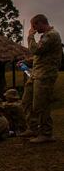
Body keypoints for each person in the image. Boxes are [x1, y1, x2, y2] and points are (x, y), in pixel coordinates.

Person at [19, 14, 62, 143]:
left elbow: (36, 50)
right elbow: (40, 56)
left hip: (45, 75)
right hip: (36, 73)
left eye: (34, 26)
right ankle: (33, 128)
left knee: (41, 104)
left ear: (40, 23)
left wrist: (30, 36)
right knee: (26, 101)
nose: (34, 29)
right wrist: (26, 61)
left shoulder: (52, 35)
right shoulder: (45, 36)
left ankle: (46, 133)